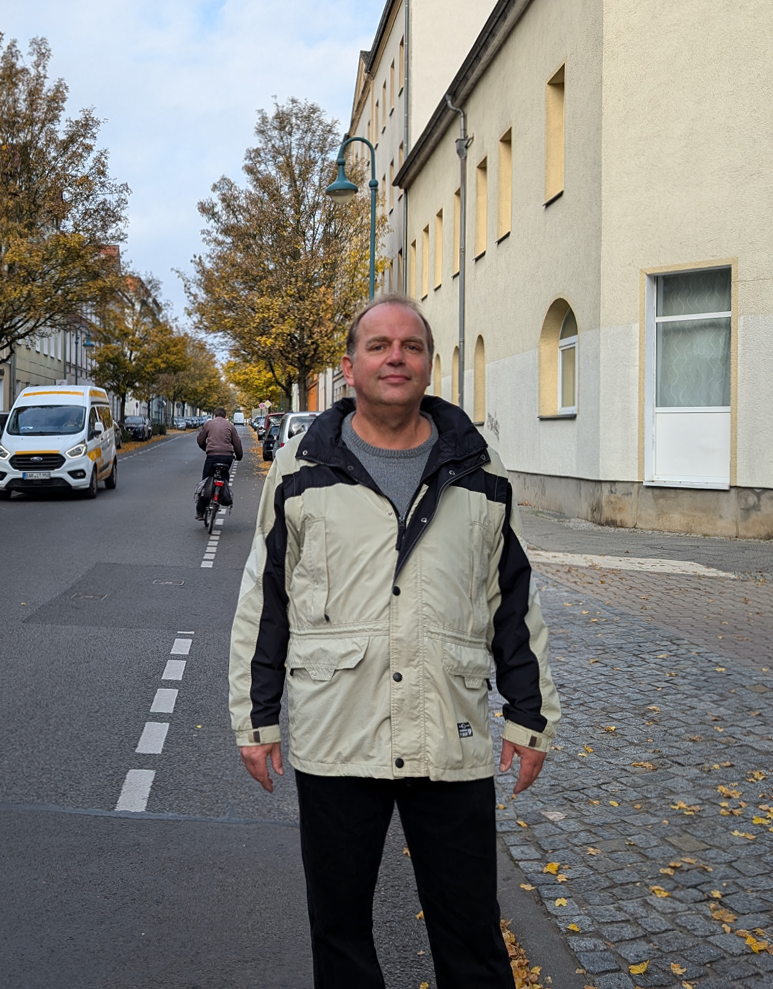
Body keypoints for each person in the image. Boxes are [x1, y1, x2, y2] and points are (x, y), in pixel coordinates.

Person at [229, 295, 560, 989]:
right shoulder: (301, 468)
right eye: (379, 345)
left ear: (429, 365)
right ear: (350, 366)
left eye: (411, 346)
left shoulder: (479, 468)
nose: (396, 357)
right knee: (340, 933)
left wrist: (529, 714)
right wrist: (256, 719)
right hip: (336, 732)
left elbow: (514, 601)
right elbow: (266, 602)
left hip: (451, 731)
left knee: (471, 933)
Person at [195, 406, 243, 520]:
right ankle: (223, 497)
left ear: (215, 415)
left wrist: (205, 448)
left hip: (212, 456)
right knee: (225, 477)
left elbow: (200, 440)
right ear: (225, 416)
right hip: (227, 457)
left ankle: (200, 512)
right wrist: (239, 456)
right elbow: (237, 443)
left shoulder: (208, 424)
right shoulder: (230, 426)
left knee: (205, 481)